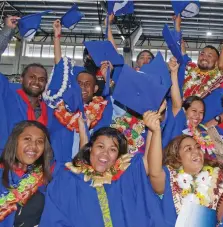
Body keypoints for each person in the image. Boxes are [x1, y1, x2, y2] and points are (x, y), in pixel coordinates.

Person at [39, 116, 163, 227]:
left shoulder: (125, 177)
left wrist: (153, 130)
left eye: (113, 150)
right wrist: (83, 131)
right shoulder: (67, 180)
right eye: (100, 146)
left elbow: (148, 162)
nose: (105, 153)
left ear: (118, 157)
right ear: (90, 149)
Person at [146, 110, 223, 226]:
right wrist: (156, 131)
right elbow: (154, 172)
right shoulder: (170, 179)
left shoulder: (221, 178)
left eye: (198, 147)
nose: (196, 152)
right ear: (178, 157)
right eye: (188, 149)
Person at [46, 19, 114, 163]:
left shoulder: (103, 109)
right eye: (79, 84)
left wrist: (107, 76)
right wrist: (56, 38)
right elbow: (60, 68)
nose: (83, 87)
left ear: (95, 89)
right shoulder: (63, 108)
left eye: (87, 84)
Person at [0, 121, 53, 227]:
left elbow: (79, 168)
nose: (33, 146)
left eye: (40, 141)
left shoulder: (44, 178)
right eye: (27, 139)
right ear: (15, 141)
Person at [0, 63, 53, 154]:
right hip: (5, 162)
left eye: (42, 79)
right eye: (32, 77)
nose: (36, 82)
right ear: (21, 79)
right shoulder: (7, 98)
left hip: (35, 163)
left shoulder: (50, 110)